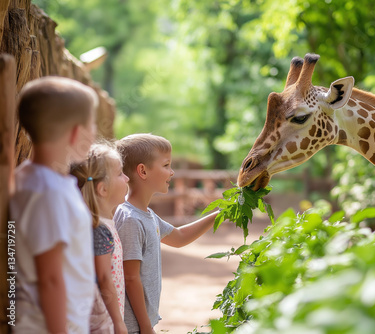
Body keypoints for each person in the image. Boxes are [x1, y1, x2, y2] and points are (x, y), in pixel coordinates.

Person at [9, 76, 98, 333]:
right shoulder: (48, 192)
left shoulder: (38, 180)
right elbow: (49, 278)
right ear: (76, 132)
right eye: (92, 124)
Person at [114, 133, 219, 333]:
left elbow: (178, 237)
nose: (172, 173)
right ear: (143, 171)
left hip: (141, 323)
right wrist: (145, 327)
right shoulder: (130, 219)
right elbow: (130, 278)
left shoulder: (147, 215)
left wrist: (218, 215)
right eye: (166, 166)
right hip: (132, 326)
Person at [70, 143, 129, 334]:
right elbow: (104, 279)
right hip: (101, 322)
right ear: (103, 189)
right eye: (120, 173)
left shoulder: (101, 225)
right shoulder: (98, 229)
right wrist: (118, 323)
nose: (127, 178)